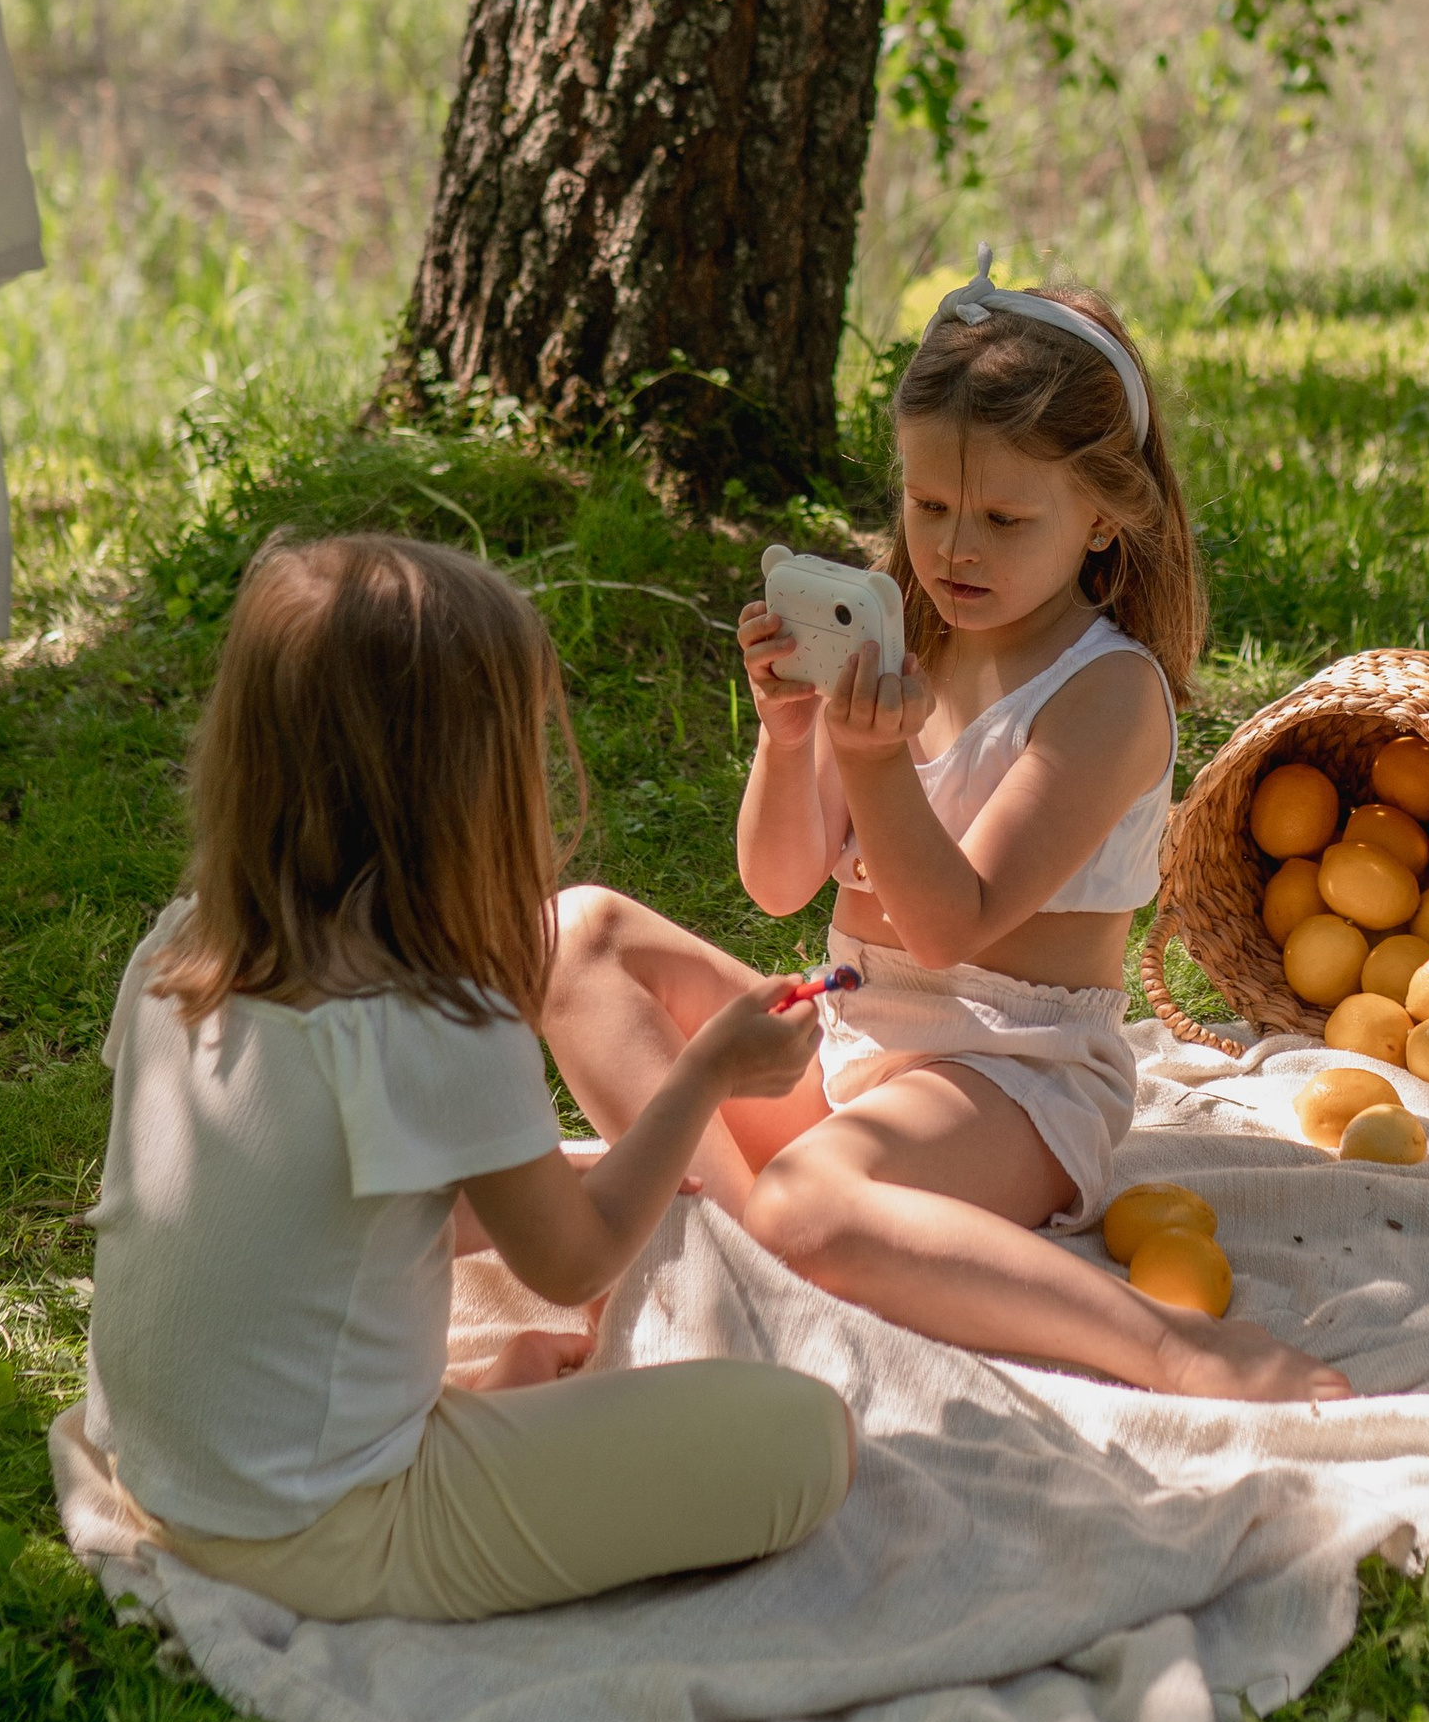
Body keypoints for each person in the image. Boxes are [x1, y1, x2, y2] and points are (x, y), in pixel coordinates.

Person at [544, 265, 1350, 1405]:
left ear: (1104, 516)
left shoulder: (1104, 694)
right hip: (848, 1042)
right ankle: (738, 1251)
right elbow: (778, 884)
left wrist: (872, 762)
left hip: (1007, 1071)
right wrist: (789, 738)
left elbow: (947, 920)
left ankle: (1167, 1347)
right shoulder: (901, 633)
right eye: (927, 507)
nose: (955, 548)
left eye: (1005, 519)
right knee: (573, 936)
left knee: (809, 1204)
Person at [83, 533, 853, 1624]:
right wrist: (705, 1070)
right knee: (804, 1438)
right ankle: (453, 1441)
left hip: (160, 1470)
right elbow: (573, 1254)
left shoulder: (182, 948)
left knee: (598, 1218)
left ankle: (468, 1414)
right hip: (325, 1528)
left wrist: (598, 1169)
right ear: (457, 788)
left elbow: (311, 1208)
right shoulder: (438, 1015)